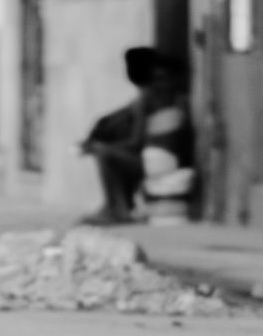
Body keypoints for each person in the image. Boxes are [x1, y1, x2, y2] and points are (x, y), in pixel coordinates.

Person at [79, 47, 194, 224]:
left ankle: (117, 208)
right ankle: (119, 206)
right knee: (112, 153)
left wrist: (99, 147)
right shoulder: (174, 98)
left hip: (160, 161)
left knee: (106, 154)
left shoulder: (150, 99)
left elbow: (136, 142)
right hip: (168, 160)